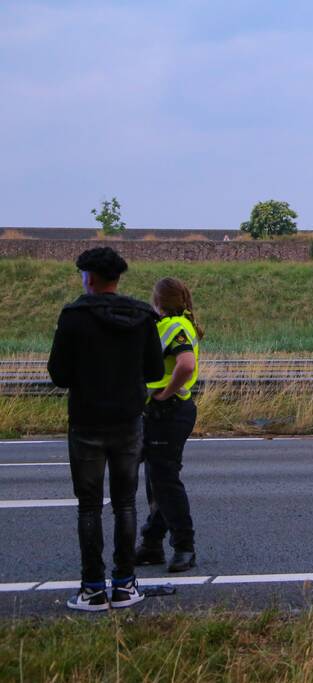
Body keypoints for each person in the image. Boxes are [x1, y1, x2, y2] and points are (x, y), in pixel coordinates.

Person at [47, 247, 164, 611]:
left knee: (89, 507)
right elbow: (155, 371)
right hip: (128, 420)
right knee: (125, 503)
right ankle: (125, 584)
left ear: (90, 278)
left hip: (86, 421)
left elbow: (58, 374)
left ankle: (92, 589)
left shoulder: (74, 316)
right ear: (117, 277)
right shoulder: (143, 316)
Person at [135, 278, 202, 572]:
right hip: (165, 412)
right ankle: (152, 543)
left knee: (164, 481)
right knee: (157, 480)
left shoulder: (174, 327)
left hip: (169, 410)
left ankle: (184, 546)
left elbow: (185, 365)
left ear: (158, 301)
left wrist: (164, 394)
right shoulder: (175, 324)